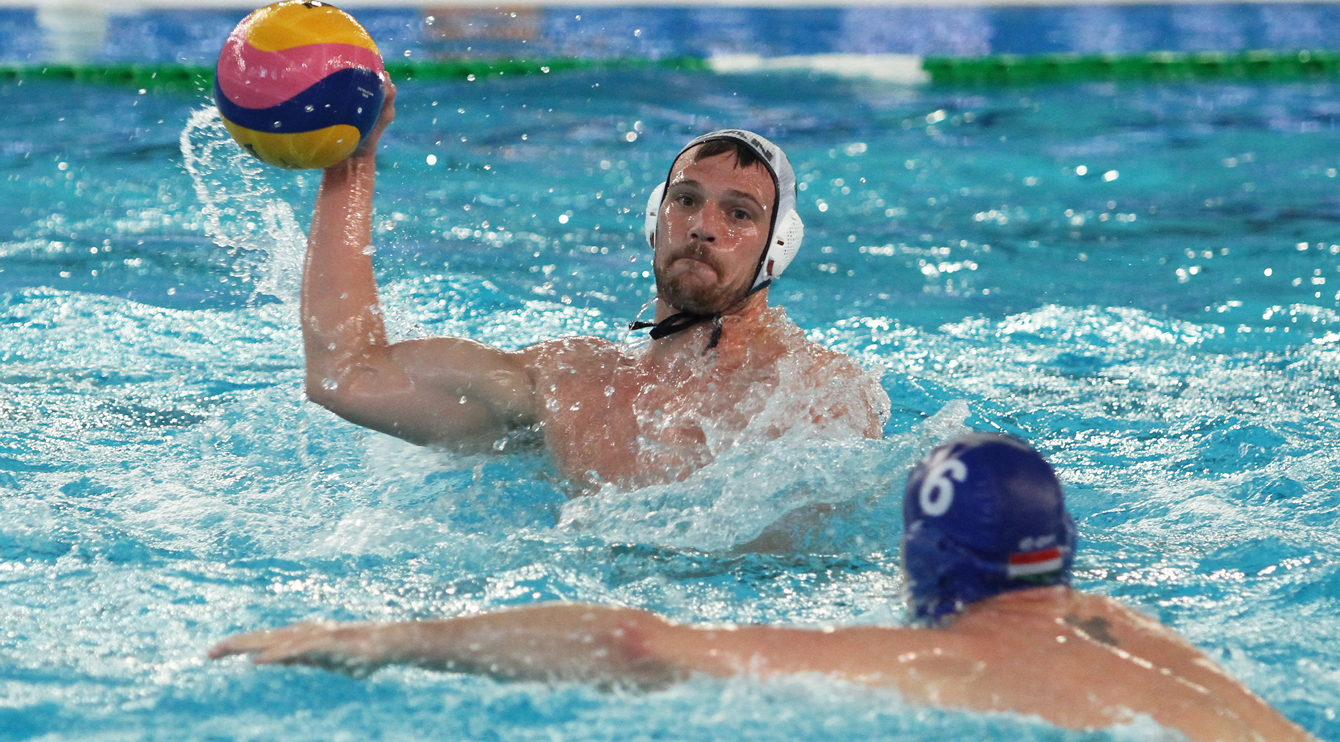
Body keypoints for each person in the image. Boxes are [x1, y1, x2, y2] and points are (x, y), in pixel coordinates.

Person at [210, 434, 1314, 742]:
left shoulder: (930, 664)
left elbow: (637, 645)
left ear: (924, 558)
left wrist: (375, 635)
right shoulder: (1165, 666)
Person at [300, 80, 887, 489]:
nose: (704, 227)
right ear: (655, 221)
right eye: (686, 201)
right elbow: (346, 377)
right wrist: (350, 166)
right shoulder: (573, 384)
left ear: (777, 247)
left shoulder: (820, 395)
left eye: (740, 214)